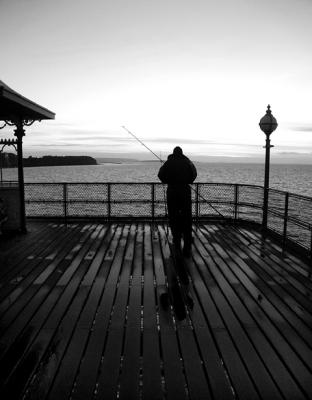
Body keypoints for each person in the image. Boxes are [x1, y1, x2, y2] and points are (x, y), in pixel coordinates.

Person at [158, 146, 197, 257]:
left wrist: (167, 181)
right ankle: (187, 246)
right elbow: (194, 174)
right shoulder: (187, 161)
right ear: (182, 153)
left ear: (173, 153)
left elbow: (160, 175)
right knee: (187, 217)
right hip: (185, 192)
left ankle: (176, 241)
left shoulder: (168, 162)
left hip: (172, 192)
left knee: (174, 216)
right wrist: (188, 181)